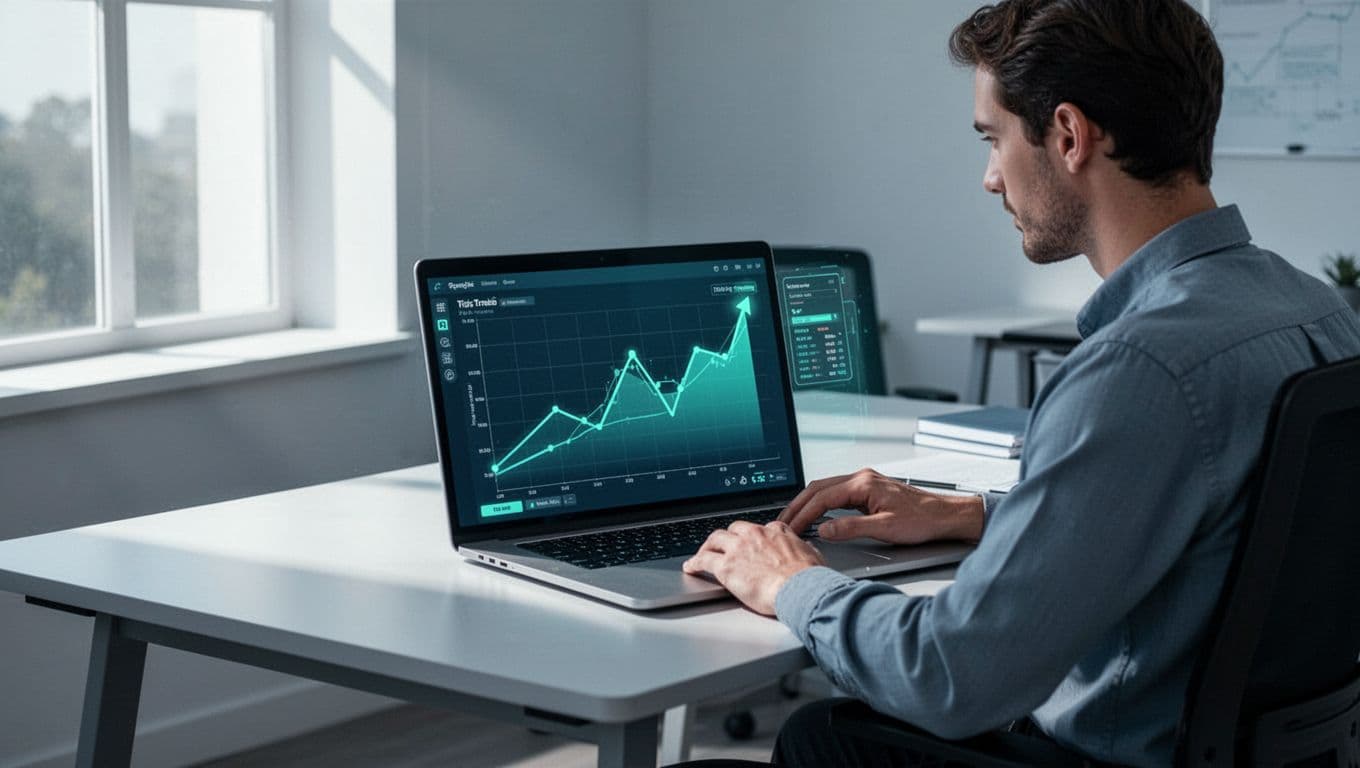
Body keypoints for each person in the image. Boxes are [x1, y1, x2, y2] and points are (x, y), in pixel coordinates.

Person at [679, 1, 1360, 765]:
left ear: (1068, 136)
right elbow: (1213, 526)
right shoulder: (1317, 310)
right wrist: (975, 515)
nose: (990, 178)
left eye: (992, 139)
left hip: (1115, 756)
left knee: (823, 737)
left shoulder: (1139, 368)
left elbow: (949, 677)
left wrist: (791, 581)